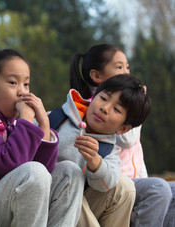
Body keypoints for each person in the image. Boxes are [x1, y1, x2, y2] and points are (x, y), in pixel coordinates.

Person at [0, 49, 84, 226]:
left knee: (70, 172)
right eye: (13, 83)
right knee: (34, 172)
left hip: (12, 196)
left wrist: (44, 124)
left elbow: (44, 171)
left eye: (26, 84)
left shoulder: (14, 124)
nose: (22, 92)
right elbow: (11, 163)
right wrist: (26, 119)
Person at [69, 43, 173, 227]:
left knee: (169, 189)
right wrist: (136, 112)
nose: (126, 72)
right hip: (111, 181)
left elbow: (136, 155)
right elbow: (126, 140)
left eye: (127, 66)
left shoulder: (113, 105)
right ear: (97, 76)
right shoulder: (96, 107)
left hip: (133, 179)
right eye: (119, 67)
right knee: (158, 189)